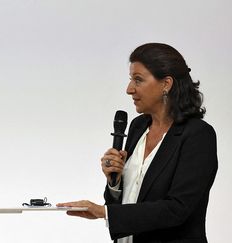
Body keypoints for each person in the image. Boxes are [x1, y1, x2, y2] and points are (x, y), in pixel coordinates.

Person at [58, 43, 218, 242]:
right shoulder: (138, 127)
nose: (129, 89)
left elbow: (177, 209)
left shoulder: (198, 136)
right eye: (130, 79)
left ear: (166, 84)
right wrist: (114, 181)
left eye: (138, 80)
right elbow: (131, 199)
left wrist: (104, 212)